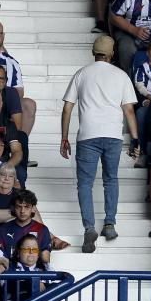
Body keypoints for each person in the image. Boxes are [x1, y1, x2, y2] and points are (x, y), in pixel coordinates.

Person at [60, 35, 141, 253]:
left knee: (85, 184)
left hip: (87, 136)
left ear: (93, 52)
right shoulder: (121, 75)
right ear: (112, 53)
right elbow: (129, 110)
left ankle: (88, 228)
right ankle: (109, 224)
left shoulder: (82, 74)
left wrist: (64, 137)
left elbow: (67, 108)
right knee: (110, 179)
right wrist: (135, 138)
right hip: (113, 136)